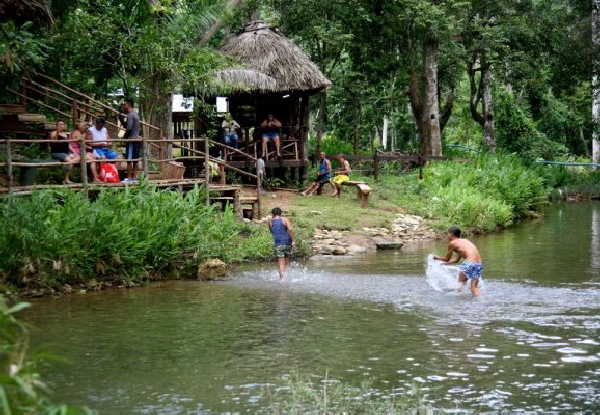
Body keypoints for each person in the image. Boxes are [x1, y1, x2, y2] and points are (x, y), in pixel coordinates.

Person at [433, 226, 483, 296]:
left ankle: (460, 304)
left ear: (451, 234)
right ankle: (479, 302)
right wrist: (444, 264)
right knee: (474, 287)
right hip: (478, 264)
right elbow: (456, 260)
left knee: (460, 285)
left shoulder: (452, 243)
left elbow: (446, 258)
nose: (447, 236)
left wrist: (435, 258)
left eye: (447, 234)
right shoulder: (465, 241)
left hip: (469, 263)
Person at [268, 207, 295, 280]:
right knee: (286, 260)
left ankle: (281, 278)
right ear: (280, 213)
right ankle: (284, 275)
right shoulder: (285, 219)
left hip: (278, 244)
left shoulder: (270, 221)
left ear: (273, 214)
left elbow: (272, 232)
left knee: (280, 262)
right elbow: (290, 229)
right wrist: (293, 240)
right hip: (287, 243)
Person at [122, 100, 140, 181]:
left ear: (128, 105)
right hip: (137, 139)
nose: (123, 107)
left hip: (131, 140)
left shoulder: (130, 115)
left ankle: (129, 177)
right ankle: (134, 177)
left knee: (129, 159)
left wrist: (124, 137)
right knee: (135, 159)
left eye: (124, 105)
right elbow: (129, 126)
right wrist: (122, 120)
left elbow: (129, 128)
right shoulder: (135, 114)